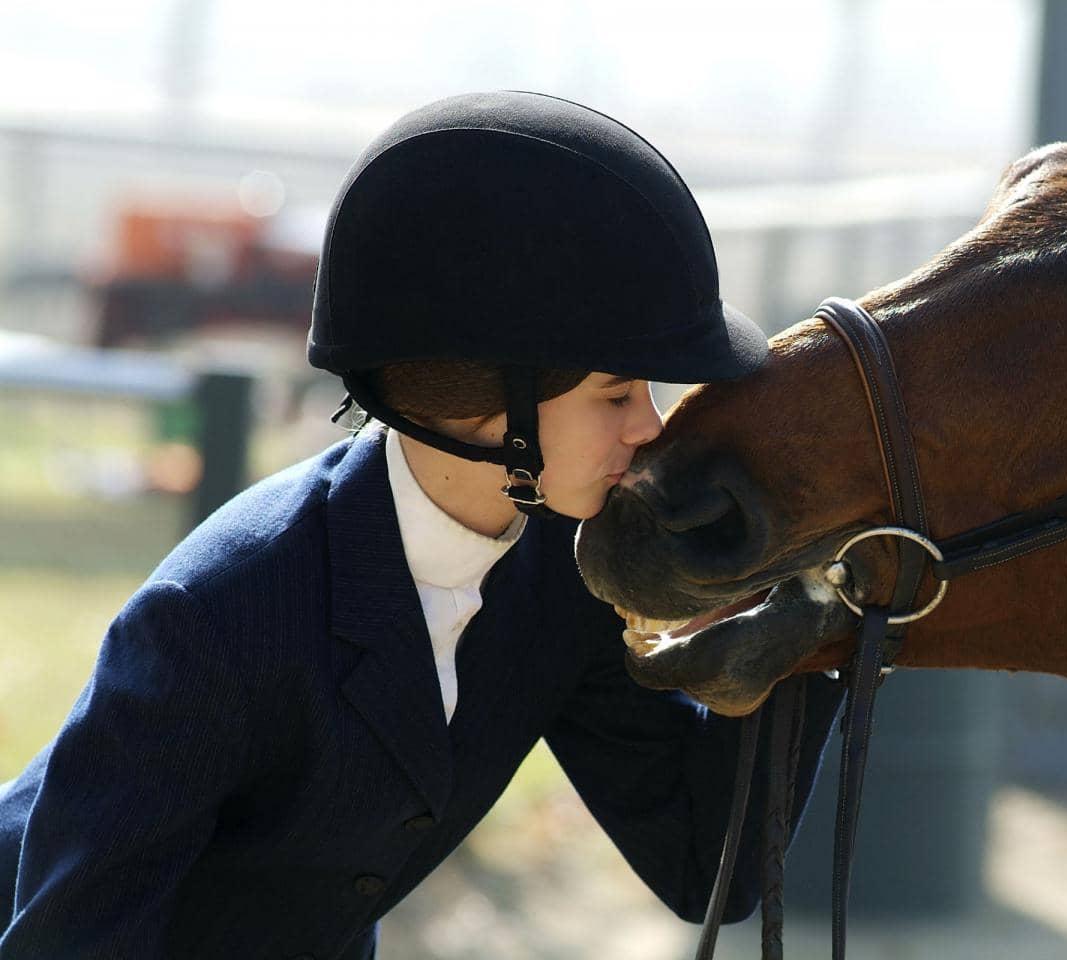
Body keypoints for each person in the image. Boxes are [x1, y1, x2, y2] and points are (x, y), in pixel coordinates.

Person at [0, 91, 843, 959]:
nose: (649, 428)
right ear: (489, 410)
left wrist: (811, 611)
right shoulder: (212, 623)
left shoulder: (565, 565)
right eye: (619, 394)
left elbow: (708, 867)